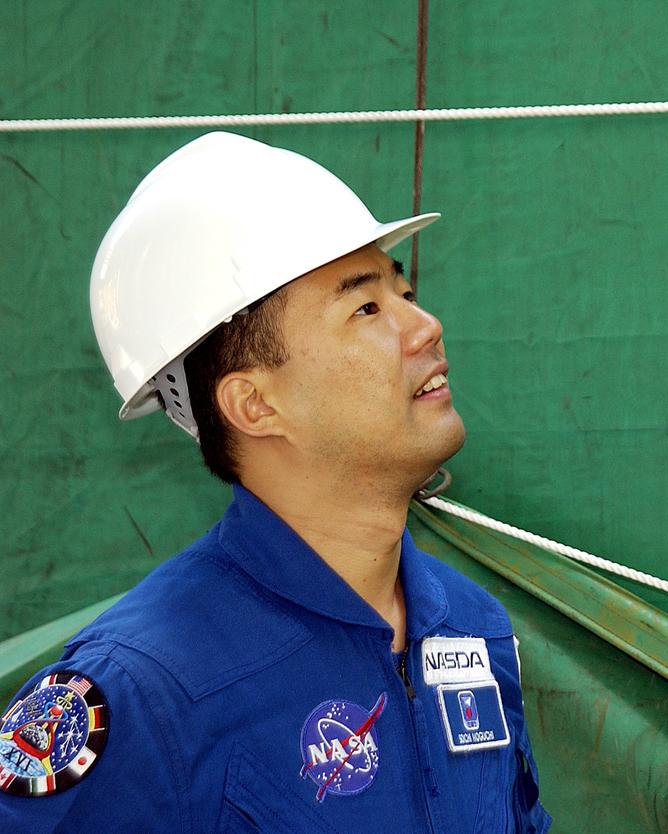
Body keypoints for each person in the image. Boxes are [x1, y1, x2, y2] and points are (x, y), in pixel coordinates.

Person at [0, 132, 552, 833]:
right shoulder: (140, 687)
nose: (426, 326)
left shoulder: (471, 628)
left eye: (404, 290)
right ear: (255, 405)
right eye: (367, 309)